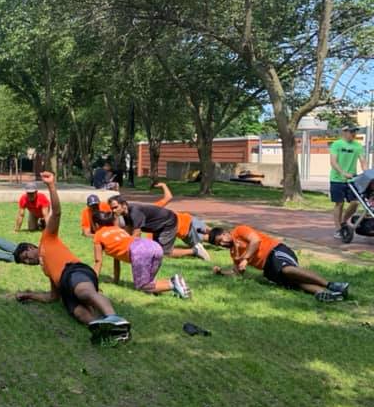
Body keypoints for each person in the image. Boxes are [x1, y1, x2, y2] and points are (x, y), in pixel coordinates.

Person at [14, 172, 131, 344]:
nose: (28, 260)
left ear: (31, 247)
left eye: (26, 255)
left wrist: (51, 186)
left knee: (84, 292)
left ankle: (114, 318)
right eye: (24, 261)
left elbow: (57, 213)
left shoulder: (47, 238)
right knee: (76, 310)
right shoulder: (46, 269)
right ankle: (104, 328)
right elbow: (53, 297)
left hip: (74, 270)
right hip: (65, 285)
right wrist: (29, 295)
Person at [208, 225, 349, 301]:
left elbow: (255, 240)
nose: (222, 243)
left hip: (274, 251)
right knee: (295, 283)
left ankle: (331, 285)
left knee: (286, 270)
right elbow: (236, 272)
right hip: (267, 268)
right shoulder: (234, 254)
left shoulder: (239, 231)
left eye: (221, 239)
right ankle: (326, 294)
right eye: (219, 244)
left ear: (226, 233)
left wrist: (246, 259)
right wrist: (221, 273)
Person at [91, 211, 191, 297]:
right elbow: (116, 257)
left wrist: (92, 283)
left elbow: (98, 261)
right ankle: (176, 282)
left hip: (139, 251)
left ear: (96, 225)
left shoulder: (98, 235)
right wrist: (115, 280)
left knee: (143, 286)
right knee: (149, 283)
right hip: (153, 246)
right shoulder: (118, 229)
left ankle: (172, 284)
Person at [108, 196, 205, 259]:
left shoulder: (134, 212)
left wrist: (126, 248)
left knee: (165, 253)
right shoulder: (126, 213)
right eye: (112, 208)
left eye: (115, 207)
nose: (113, 210)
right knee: (156, 252)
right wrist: (119, 240)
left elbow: (137, 234)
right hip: (159, 225)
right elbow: (129, 229)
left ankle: (195, 251)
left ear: (124, 205)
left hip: (168, 222)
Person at [151, 182, 212, 261]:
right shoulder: (154, 207)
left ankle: (196, 250)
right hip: (188, 218)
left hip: (184, 227)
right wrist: (164, 186)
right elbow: (169, 197)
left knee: (208, 237)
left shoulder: (150, 219)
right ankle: (229, 237)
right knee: (211, 233)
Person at [331, 125, 365, 237]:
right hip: (337, 179)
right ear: (344, 132)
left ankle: (343, 222)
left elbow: (363, 161)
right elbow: (333, 162)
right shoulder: (336, 144)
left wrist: (366, 173)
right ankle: (338, 229)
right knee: (339, 203)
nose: (354, 134)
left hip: (352, 180)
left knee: (355, 203)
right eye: (351, 131)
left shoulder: (358, 146)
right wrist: (343, 172)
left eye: (355, 131)